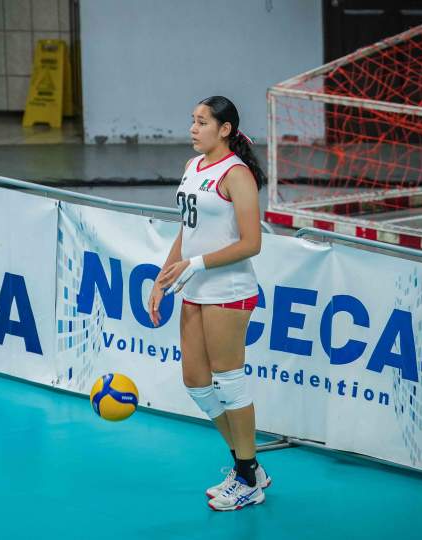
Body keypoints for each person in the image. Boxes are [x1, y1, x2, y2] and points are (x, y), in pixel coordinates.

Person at [147, 95, 267, 511]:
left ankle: (248, 476)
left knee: (230, 382)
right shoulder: (192, 167)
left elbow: (252, 243)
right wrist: (164, 278)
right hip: (194, 289)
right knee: (196, 381)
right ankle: (247, 465)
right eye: (192, 121)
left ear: (225, 129)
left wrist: (194, 265)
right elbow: (187, 229)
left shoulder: (237, 175)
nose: (193, 129)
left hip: (229, 291)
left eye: (202, 122)